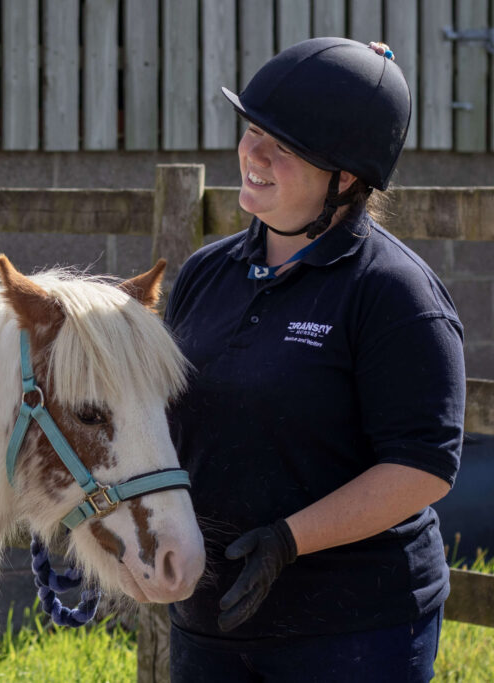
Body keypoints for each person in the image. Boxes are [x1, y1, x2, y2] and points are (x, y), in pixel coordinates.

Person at [164, 38, 465, 682]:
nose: (255, 154)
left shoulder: (392, 293)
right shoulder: (205, 275)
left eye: (288, 146)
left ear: (346, 176)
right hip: (209, 620)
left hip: (353, 631)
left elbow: (423, 467)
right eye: (252, 131)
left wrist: (288, 540)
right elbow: (158, 422)